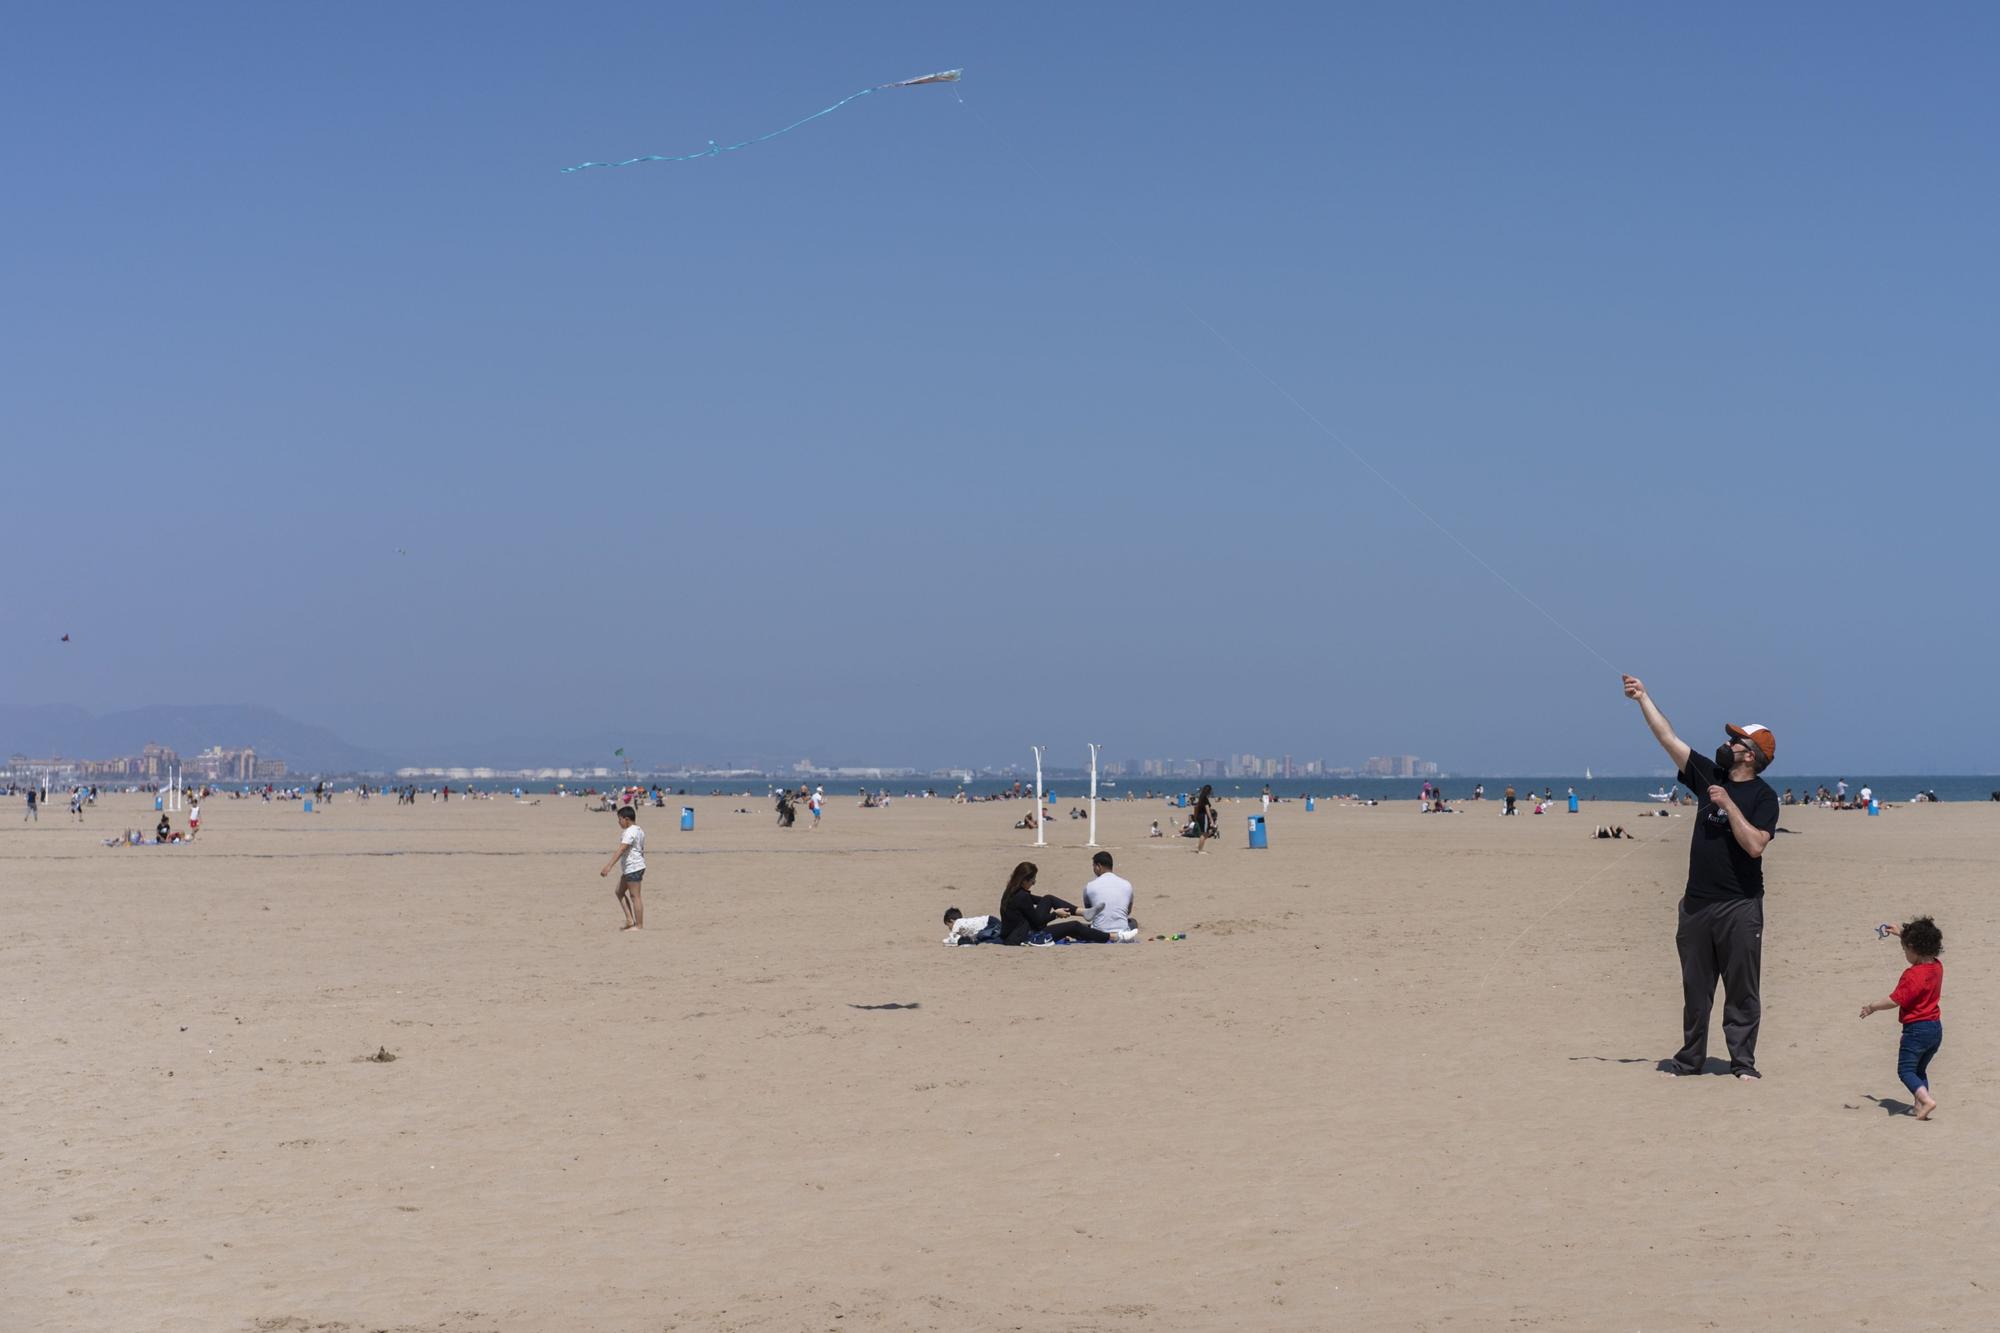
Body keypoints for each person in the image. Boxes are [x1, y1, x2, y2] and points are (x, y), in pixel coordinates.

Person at [1623, 674, 1779, 1079]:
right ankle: (1690, 1059)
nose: (1726, 745)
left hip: (1740, 906)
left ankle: (1742, 1063)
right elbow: (1668, 739)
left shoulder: (1763, 796)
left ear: (1750, 756)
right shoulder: (1708, 774)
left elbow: (1755, 846)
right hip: (1696, 905)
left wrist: (1727, 804)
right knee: (1696, 990)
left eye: (1735, 742)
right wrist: (1644, 698)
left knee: (1742, 991)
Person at [1860, 917, 1943, 1119]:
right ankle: (1918, 1107)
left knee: (1905, 1070)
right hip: (1935, 1029)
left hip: (1916, 1030)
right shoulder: (1937, 966)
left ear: (1913, 947)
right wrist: (1902, 935)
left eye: (1905, 949)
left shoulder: (1912, 975)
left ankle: (1926, 1101)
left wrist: (1872, 1007)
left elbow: (1894, 1000)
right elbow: (1921, 947)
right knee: (1919, 1069)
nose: (1904, 953)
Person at [997, 861, 1110, 946]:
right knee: (1074, 926)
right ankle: (1111, 937)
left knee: (1048, 898)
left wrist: (1054, 904)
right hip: (1023, 936)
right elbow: (1037, 922)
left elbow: (1039, 900)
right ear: (1024, 880)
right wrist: (1056, 914)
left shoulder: (1012, 891)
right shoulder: (1023, 897)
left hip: (1014, 933)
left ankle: (1084, 912)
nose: (1034, 883)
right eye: (1033, 881)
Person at [598, 805, 647, 931]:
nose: (618, 822)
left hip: (634, 867)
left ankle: (639, 925)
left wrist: (608, 866)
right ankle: (630, 920)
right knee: (619, 892)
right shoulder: (639, 830)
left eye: (619, 819)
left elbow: (621, 849)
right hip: (631, 867)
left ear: (626, 819)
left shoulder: (631, 831)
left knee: (635, 896)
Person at [1080, 851, 1139, 940]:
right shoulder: (1127, 884)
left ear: (1098, 866)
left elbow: (1090, 913)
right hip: (1122, 931)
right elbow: (1128, 911)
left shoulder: (1089, 886)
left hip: (1099, 932)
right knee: (1133, 922)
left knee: (1080, 926)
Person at [1192, 784, 1215, 853]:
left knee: (1208, 832)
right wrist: (1211, 820)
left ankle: (1200, 845)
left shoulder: (1201, 797)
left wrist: (1195, 817)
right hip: (1203, 816)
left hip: (1200, 816)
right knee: (1204, 833)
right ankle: (1200, 850)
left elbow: (1196, 807)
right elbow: (1207, 810)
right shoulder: (1205, 798)